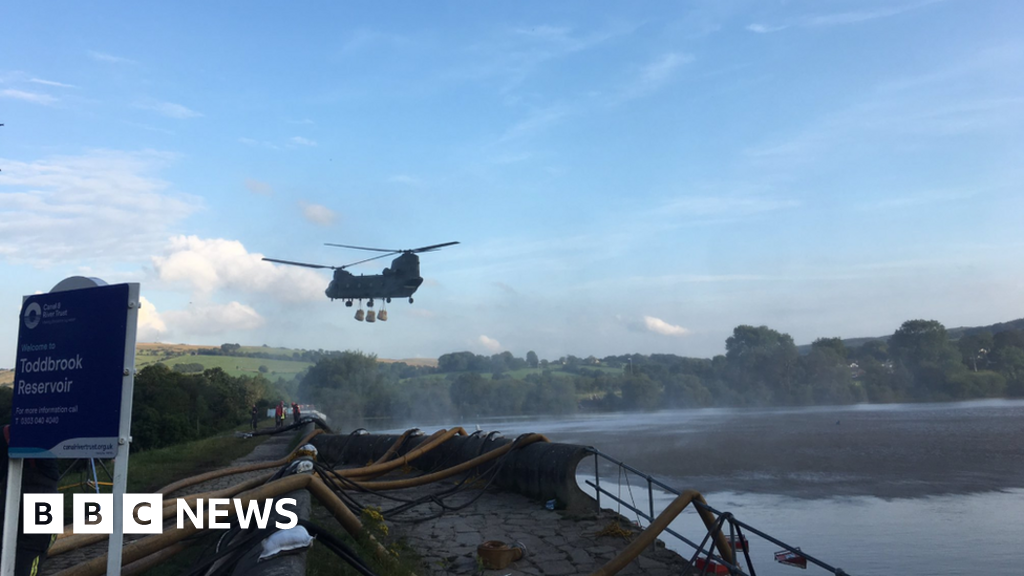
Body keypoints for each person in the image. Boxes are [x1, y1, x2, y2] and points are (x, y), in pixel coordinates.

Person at [0, 425, 59, 576]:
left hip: (12, 495)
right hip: (41, 494)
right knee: (33, 553)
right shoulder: (48, 429)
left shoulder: (7, 432)